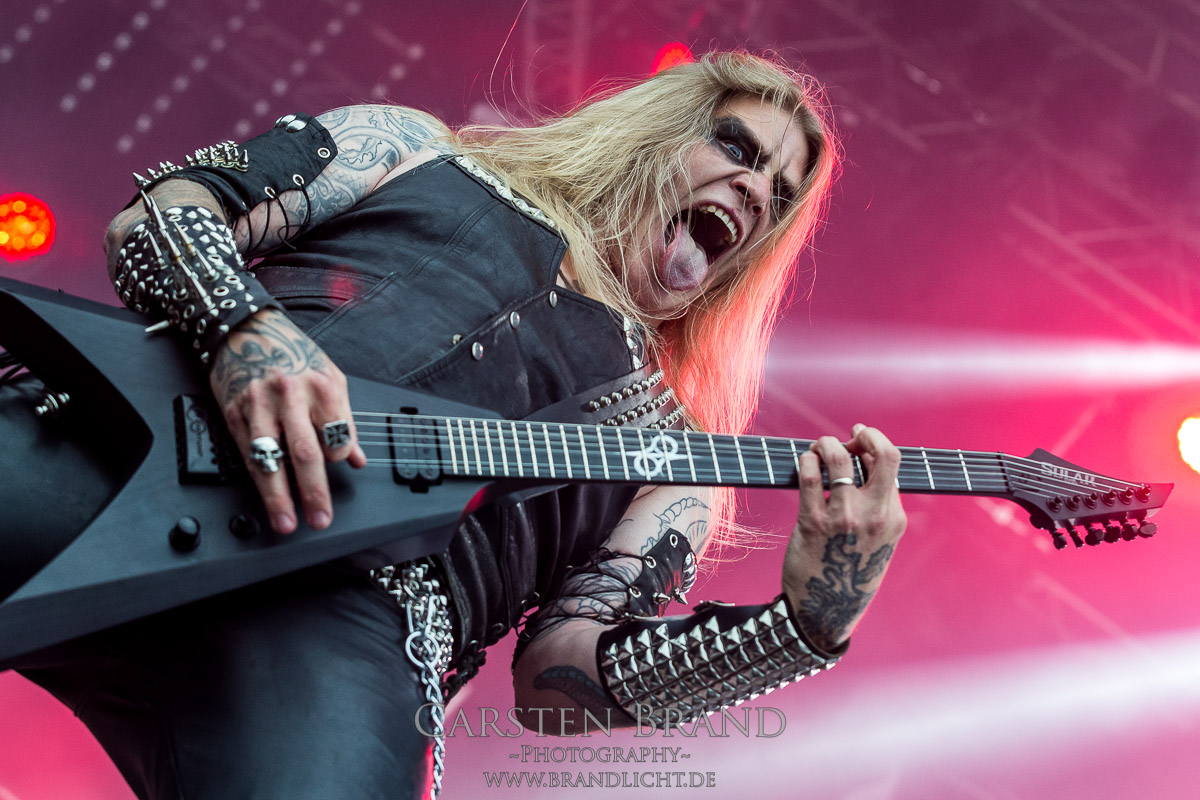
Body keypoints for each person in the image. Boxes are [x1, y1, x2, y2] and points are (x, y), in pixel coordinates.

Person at [20, 51, 906, 799]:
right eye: (734, 146)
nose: (753, 189)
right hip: (129, 449)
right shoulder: (413, 152)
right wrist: (242, 331)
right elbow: (163, 213)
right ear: (654, 129)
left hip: (351, 633)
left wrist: (801, 629)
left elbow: (556, 684)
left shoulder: (676, 454)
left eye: (779, 195)